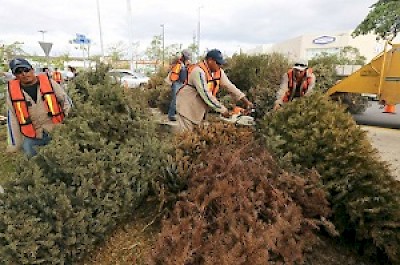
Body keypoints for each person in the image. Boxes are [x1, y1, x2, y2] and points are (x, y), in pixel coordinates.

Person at [6, 58, 72, 157]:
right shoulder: (12, 92)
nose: (24, 74)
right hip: (32, 135)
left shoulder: (50, 83)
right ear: (15, 75)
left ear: (32, 70)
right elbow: (13, 119)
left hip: (56, 130)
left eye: (26, 70)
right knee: (33, 165)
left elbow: (66, 103)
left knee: (62, 160)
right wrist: (15, 144)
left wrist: (72, 126)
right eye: (19, 72)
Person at [175, 49, 253, 132]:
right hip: (187, 108)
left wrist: (246, 101)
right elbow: (206, 95)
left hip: (199, 110)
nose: (220, 66)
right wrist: (223, 110)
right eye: (218, 63)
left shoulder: (218, 72)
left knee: (196, 138)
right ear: (210, 60)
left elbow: (230, 86)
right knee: (186, 138)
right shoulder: (198, 71)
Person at [167, 49, 192, 121]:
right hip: (177, 83)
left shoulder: (182, 63)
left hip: (179, 83)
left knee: (178, 100)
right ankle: (171, 115)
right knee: (175, 100)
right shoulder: (179, 63)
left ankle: (174, 115)